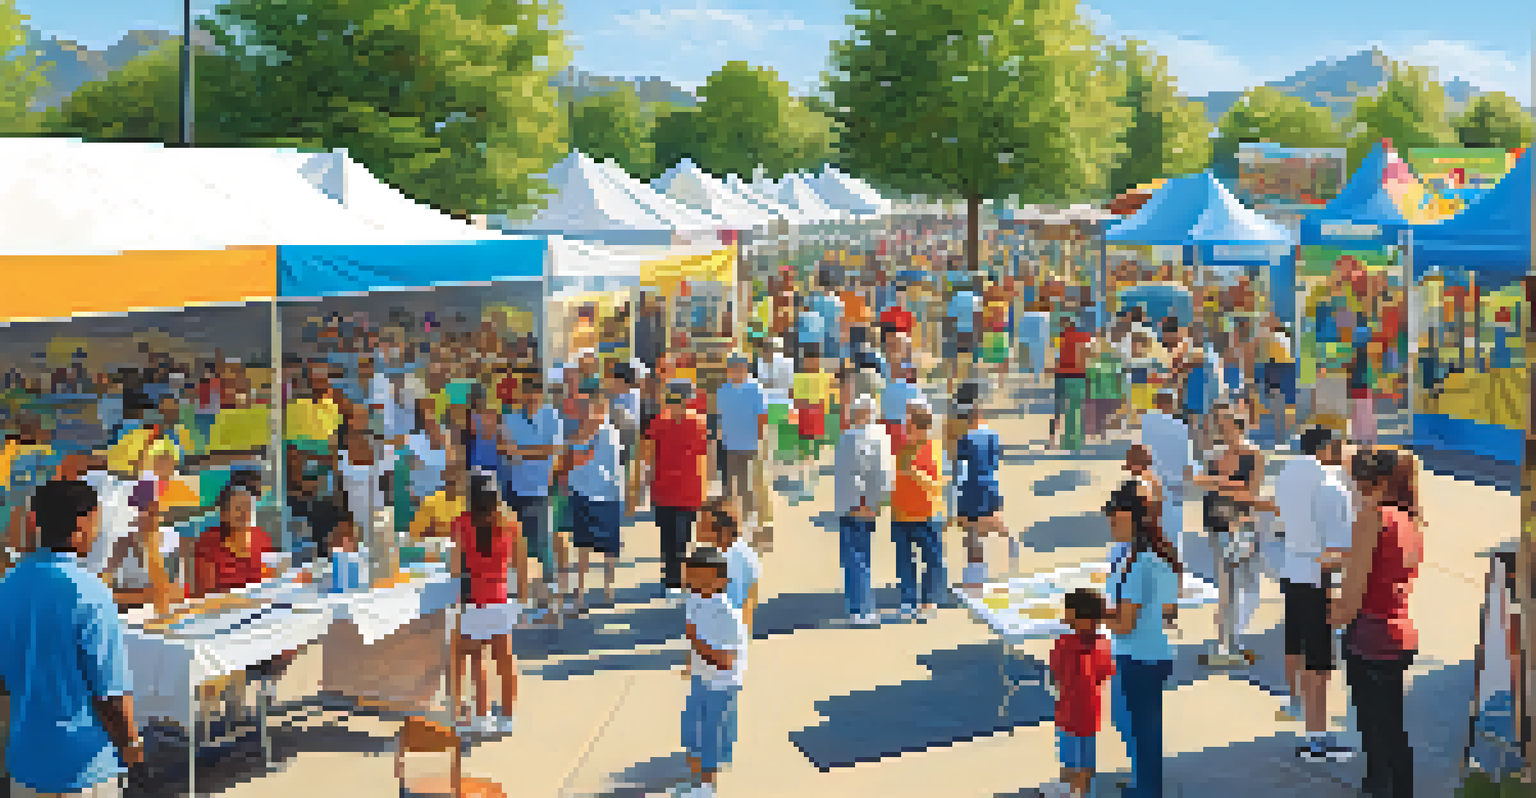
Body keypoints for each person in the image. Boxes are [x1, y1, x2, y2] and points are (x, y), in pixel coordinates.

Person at [0, 479, 143, 797]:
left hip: (25, 767)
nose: (97, 531)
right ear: (82, 523)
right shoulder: (90, 592)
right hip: (85, 769)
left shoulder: (8, 585)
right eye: (97, 520)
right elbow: (111, 695)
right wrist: (132, 744)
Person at [1329, 448, 1422, 798]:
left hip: (1370, 634)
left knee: (1375, 731)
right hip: (1397, 631)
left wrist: (1330, 615)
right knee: (1390, 730)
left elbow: (1354, 591)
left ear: (1375, 482)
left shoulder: (1374, 516)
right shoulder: (1410, 520)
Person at [1274, 426, 1356, 762]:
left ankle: (1305, 719)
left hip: (1293, 570)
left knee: (1300, 647)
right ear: (1325, 447)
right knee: (1320, 663)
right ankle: (1317, 739)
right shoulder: (1330, 486)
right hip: (1318, 576)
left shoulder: (1287, 473)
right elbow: (1339, 547)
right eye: (1340, 444)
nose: (1344, 449)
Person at [1102, 481, 1182, 798]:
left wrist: (1092, 615)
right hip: (1155, 654)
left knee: (1139, 730)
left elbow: (1123, 625)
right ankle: (1144, 785)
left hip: (1138, 657)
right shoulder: (1158, 555)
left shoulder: (1137, 565)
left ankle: (1147, 790)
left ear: (1132, 519)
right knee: (1143, 729)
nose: (1110, 526)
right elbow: (1169, 610)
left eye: (1114, 520)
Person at [1190, 405, 1271, 666]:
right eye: (1218, 424)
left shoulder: (1253, 454)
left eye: (1224, 425)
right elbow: (1196, 481)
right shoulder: (1215, 453)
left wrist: (1218, 483)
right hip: (1217, 524)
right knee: (1227, 586)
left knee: (1242, 585)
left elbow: (1250, 492)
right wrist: (1225, 483)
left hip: (1241, 525)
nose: (1220, 430)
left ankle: (1232, 641)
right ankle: (1225, 643)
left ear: (1238, 426)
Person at [450, 474, 526, 735]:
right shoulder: (510, 523)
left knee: (476, 659)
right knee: (505, 661)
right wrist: (522, 598)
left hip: (473, 598)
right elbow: (520, 564)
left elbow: (454, 568)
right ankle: (507, 717)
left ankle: (482, 717)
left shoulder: (460, 523)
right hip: (501, 598)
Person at [677, 548, 747, 798]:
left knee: (712, 730)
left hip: (722, 682)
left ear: (721, 581)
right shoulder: (694, 601)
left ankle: (707, 787)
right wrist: (692, 662)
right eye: (692, 580)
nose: (696, 586)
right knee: (696, 724)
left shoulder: (727, 614)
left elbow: (726, 662)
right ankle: (708, 768)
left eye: (703, 581)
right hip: (701, 676)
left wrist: (697, 644)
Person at [500, 375, 565, 610]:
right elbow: (506, 451)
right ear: (520, 394)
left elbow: (552, 450)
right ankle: (522, 590)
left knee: (542, 540)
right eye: (527, 393)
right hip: (514, 487)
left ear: (541, 395)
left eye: (535, 393)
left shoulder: (552, 416)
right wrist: (529, 452)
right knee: (518, 541)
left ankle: (549, 588)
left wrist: (520, 452)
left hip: (541, 488)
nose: (531, 398)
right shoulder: (509, 419)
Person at [1046, 589, 1116, 798]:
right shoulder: (1103, 644)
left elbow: (1056, 673)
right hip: (1091, 712)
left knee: (1068, 757)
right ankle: (1085, 792)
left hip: (1067, 713)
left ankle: (1068, 791)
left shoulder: (1063, 644)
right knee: (1087, 759)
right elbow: (1105, 673)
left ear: (1077, 617)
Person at [834, 395, 894, 627]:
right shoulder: (880, 436)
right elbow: (884, 475)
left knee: (853, 559)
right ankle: (865, 607)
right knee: (863, 557)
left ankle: (858, 609)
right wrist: (876, 503)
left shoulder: (848, 438)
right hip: (867, 504)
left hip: (850, 504)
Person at [564, 391, 624, 614]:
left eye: (599, 408)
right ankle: (581, 593)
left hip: (606, 494)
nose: (594, 412)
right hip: (584, 492)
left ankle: (608, 590)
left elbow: (583, 457)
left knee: (607, 546)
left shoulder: (609, 433)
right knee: (582, 545)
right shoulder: (586, 431)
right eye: (592, 408)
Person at [648, 380, 709, 594]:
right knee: (668, 537)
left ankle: (677, 579)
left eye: (680, 400)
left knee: (681, 538)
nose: (676, 405)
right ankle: (671, 577)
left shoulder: (698, 423)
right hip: (663, 490)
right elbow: (650, 455)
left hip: (688, 490)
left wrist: (704, 489)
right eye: (672, 399)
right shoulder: (659, 422)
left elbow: (703, 457)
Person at [891, 401, 946, 624]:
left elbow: (937, 484)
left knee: (932, 561)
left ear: (921, 427)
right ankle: (908, 601)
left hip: (927, 515)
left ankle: (928, 602)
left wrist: (915, 474)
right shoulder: (901, 448)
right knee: (904, 561)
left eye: (910, 424)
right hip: (901, 515)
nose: (906, 428)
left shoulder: (933, 449)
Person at [955, 395, 1012, 587]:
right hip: (990, 484)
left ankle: (975, 575)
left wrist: (957, 492)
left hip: (971, 487)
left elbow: (961, 469)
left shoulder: (965, 438)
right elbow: (996, 462)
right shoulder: (993, 436)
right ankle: (979, 573)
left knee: (971, 531)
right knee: (978, 531)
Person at [1139, 391, 1198, 565]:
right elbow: (1187, 462)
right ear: (1172, 405)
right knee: (1172, 535)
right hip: (1175, 487)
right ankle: (1172, 573)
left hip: (1151, 486)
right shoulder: (1181, 427)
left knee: (1149, 532)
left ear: (1157, 404)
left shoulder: (1147, 422)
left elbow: (1140, 452)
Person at [714, 354, 767, 533]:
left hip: (748, 444)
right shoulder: (723, 389)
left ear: (745, 368)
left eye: (739, 367)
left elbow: (762, 416)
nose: (736, 370)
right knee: (728, 485)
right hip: (728, 444)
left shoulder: (755, 388)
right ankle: (730, 521)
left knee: (746, 484)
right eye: (732, 367)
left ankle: (748, 520)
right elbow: (719, 416)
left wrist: (759, 438)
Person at [697, 497, 761, 634]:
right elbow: (750, 600)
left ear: (721, 530)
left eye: (703, 525)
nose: (698, 529)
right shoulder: (745, 553)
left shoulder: (723, 560)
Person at [1052, 316, 1092, 451]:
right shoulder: (1084, 337)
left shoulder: (1061, 338)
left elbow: (1057, 356)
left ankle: (1063, 440)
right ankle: (1076, 440)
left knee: (1062, 409)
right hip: (1079, 375)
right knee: (1076, 409)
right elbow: (1087, 355)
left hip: (1062, 375)